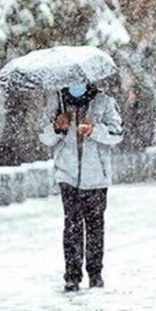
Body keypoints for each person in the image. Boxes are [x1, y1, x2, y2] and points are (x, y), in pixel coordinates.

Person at [39, 82, 123, 292]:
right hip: (67, 175)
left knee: (95, 226)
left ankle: (95, 273)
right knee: (72, 226)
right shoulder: (57, 102)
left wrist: (94, 130)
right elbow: (44, 137)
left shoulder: (104, 102)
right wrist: (58, 127)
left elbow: (117, 133)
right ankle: (72, 275)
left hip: (96, 177)